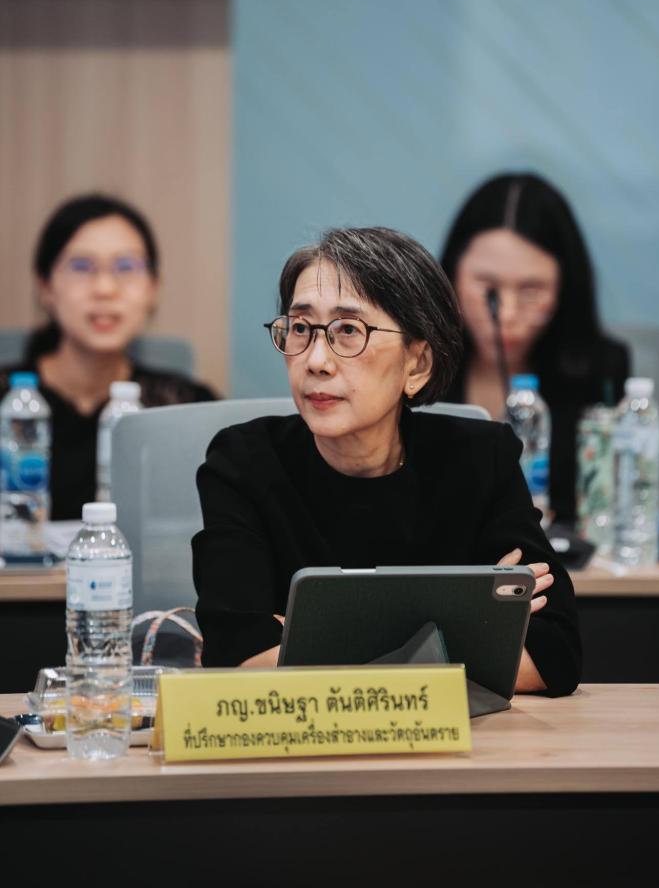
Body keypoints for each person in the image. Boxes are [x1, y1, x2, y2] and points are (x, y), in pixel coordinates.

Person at [193, 227, 581, 696]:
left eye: (348, 331)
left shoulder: (480, 460)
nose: (316, 360)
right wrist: (458, 637)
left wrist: (301, 637)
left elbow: (554, 654)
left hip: (452, 739)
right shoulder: (244, 463)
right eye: (300, 328)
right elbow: (235, 659)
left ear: (417, 365)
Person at [0, 193, 217, 519]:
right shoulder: (9, 400)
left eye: (126, 267)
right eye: (81, 267)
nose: (105, 288)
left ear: (154, 288)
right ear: (45, 287)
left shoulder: (187, 407)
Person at [440, 173, 630, 522]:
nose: (508, 314)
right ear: (452, 274)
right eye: (488, 288)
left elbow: (601, 503)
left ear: (564, 288)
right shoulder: (415, 359)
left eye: (532, 292)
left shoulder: (602, 366)